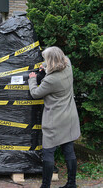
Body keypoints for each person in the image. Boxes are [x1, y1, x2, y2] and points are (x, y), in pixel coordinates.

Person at [28, 46, 81, 188]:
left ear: (51, 61)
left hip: (54, 121)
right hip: (70, 117)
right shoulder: (68, 64)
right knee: (68, 150)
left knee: (48, 153)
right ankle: (71, 184)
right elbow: (57, 62)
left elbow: (35, 93)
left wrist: (32, 79)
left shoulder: (50, 80)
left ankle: (45, 186)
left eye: (46, 59)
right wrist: (45, 66)